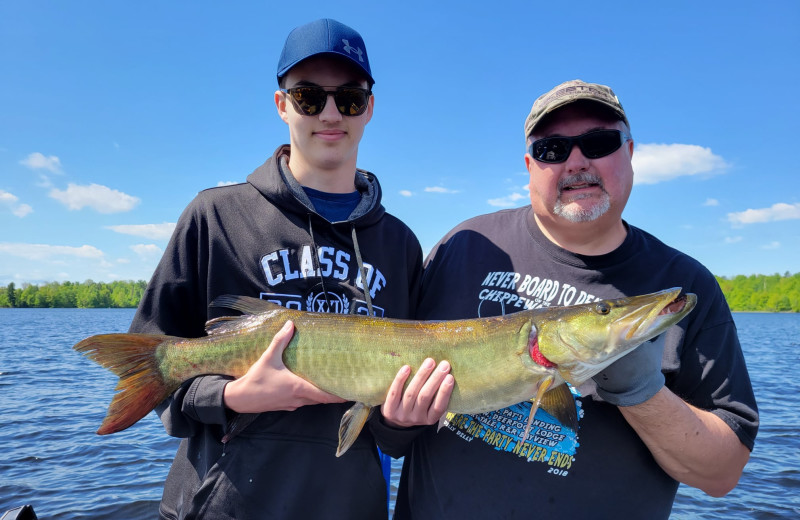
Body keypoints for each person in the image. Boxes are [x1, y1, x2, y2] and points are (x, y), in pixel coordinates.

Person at [376, 79, 759, 519]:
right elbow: (389, 435)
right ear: (529, 165)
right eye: (553, 149)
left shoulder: (687, 285)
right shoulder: (463, 245)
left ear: (630, 153)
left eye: (598, 142)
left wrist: (642, 393)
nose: (577, 161)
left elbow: (721, 475)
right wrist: (395, 421)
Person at [129, 19, 423, 519]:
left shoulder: (400, 244)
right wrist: (233, 395)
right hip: (221, 507)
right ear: (281, 104)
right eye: (309, 97)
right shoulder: (215, 216)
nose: (331, 113)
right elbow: (158, 365)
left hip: (350, 507)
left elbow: (396, 427)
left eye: (349, 98)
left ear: (369, 108)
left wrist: (402, 421)